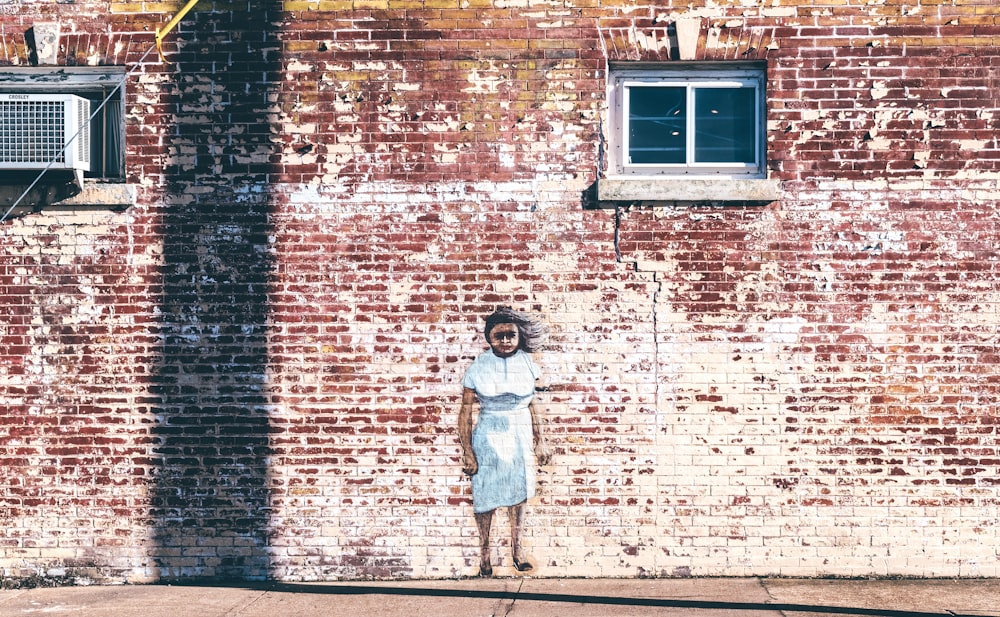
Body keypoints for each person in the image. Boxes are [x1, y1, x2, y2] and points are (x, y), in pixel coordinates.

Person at [458, 306, 551, 577]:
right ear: (489, 337)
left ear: (519, 336)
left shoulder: (528, 363)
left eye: (511, 335)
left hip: (519, 433)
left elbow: (534, 405)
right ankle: (485, 555)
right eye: (500, 336)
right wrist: (468, 452)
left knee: (518, 496)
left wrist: (540, 440)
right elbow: (465, 412)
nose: (506, 341)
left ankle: (517, 551)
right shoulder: (478, 367)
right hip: (488, 434)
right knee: (486, 497)